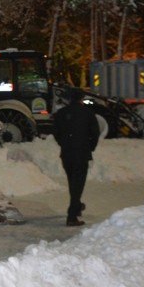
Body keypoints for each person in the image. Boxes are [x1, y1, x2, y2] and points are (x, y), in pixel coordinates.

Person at [53, 87, 101, 226]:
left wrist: (64, 143)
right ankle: (72, 216)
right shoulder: (88, 113)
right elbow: (95, 133)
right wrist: (90, 147)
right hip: (81, 153)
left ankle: (77, 206)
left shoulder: (61, 113)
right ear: (81, 98)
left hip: (67, 153)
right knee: (78, 184)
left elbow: (56, 132)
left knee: (72, 182)